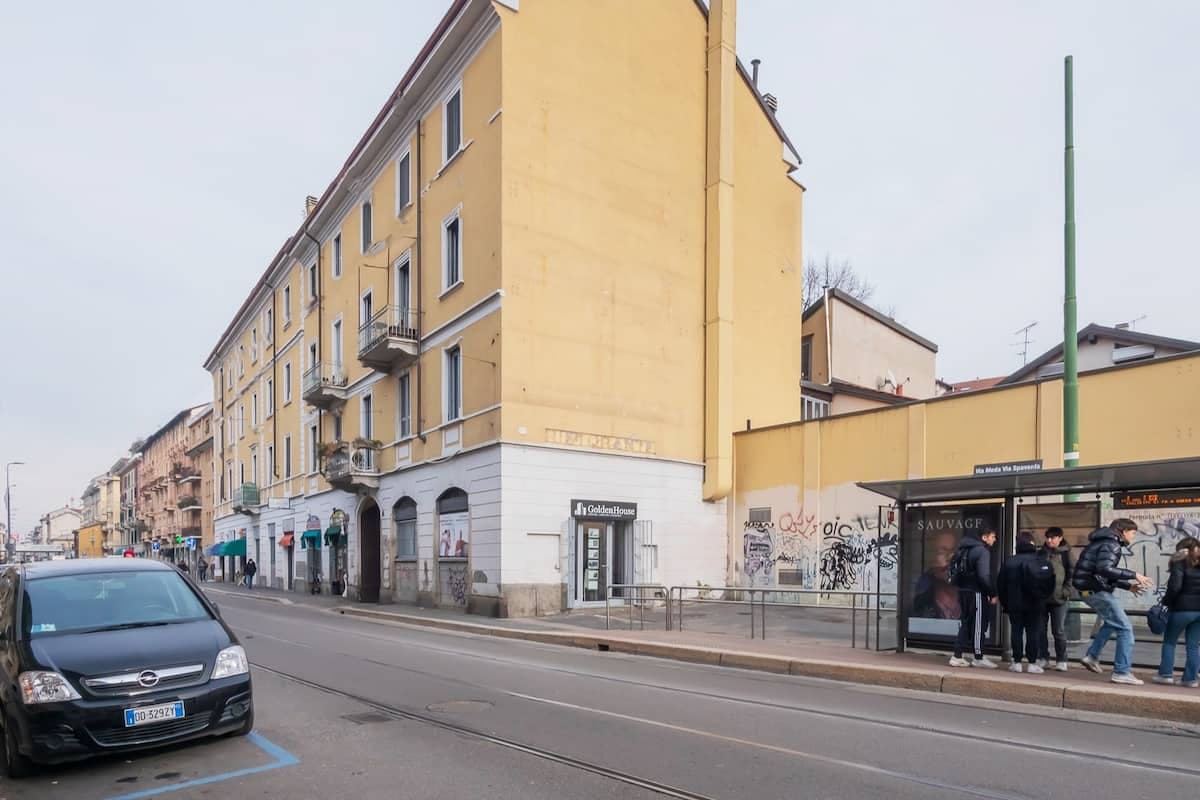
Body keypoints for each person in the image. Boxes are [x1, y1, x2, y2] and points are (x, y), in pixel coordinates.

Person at [1072, 518, 1154, 685]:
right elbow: (1105, 569)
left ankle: (1092, 656)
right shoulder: (1112, 544)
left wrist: (1127, 586)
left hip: (1088, 589)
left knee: (1112, 623)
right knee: (1125, 628)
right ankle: (1122, 672)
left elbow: (1100, 573)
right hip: (1096, 591)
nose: (1133, 537)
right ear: (1123, 531)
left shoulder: (1100, 542)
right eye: (1132, 533)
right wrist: (1134, 575)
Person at [998, 531, 1056, 673]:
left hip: (1014, 604)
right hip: (1036, 603)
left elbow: (1001, 585)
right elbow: (1050, 583)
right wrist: (1043, 599)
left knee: (1016, 631)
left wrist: (1006, 603)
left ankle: (1017, 662)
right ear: (1032, 543)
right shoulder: (1040, 560)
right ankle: (1032, 663)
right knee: (1033, 632)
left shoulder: (1010, 561)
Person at [948, 525, 999, 668]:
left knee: (966, 623)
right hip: (976, 592)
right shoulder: (982, 551)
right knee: (979, 625)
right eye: (992, 536)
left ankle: (957, 655)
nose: (994, 539)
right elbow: (983, 576)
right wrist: (992, 593)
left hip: (963, 591)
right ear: (984, 537)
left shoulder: (963, 549)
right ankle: (978, 657)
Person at [1155, 536, 1200, 687]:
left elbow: (1175, 586)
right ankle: (1190, 679)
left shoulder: (1179, 562)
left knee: (1170, 642)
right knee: (1193, 645)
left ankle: (1165, 675)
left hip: (1182, 609)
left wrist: (1166, 602)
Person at [1037, 527, 1074, 671]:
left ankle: (1061, 659)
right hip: (1042, 598)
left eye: (1052, 538)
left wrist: (1066, 591)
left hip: (1059, 598)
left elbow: (1072, 574)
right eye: (1047, 537)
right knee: (1040, 630)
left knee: (1058, 630)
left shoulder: (1066, 553)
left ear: (1060, 538)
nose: (1049, 540)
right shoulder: (1041, 553)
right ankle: (1043, 658)